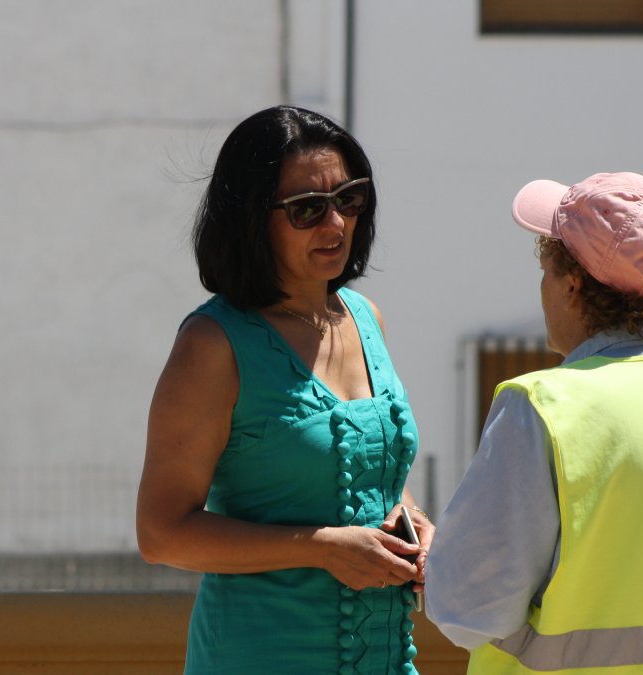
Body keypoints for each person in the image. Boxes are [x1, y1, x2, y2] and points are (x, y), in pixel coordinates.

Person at [424, 172, 643, 673]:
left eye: (548, 272)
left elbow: (468, 610)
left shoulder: (543, 406)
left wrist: (439, 559)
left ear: (573, 286)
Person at [137, 105, 434, 674]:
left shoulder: (366, 317)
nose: (336, 224)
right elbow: (160, 533)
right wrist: (321, 548)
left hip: (387, 658)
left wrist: (413, 522)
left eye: (349, 198)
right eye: (307, 210)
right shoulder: (213, 344)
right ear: (251, 220)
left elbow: (374, 478)